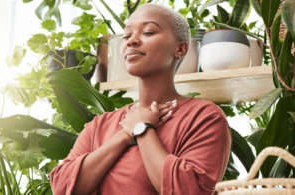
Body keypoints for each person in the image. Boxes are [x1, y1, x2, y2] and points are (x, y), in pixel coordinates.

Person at [50, 3, 232, 195]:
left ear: (180, 49)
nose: (131, 41)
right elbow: (62, 188)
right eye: (127, 35)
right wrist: (125, 134)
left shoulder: (204, 118)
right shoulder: (99, 125)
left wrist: (143, 130)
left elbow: (187, 191)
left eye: (148, 32)